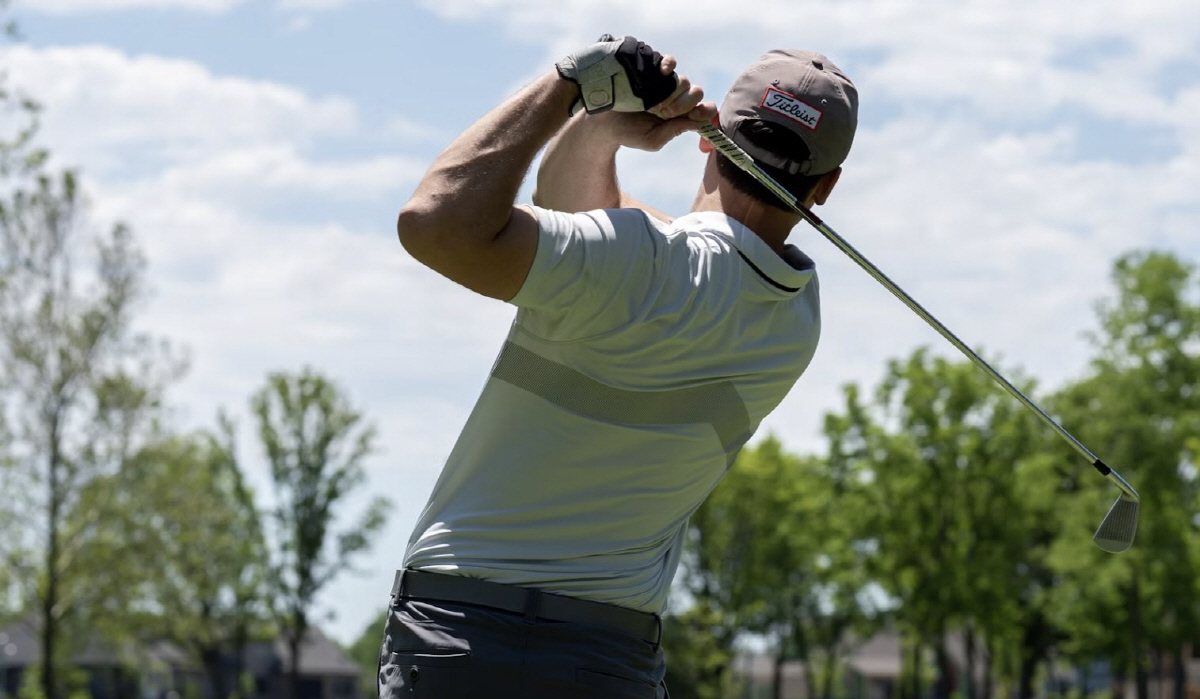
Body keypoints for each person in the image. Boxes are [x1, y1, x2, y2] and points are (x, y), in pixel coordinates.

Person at [384, 34, 858, 698]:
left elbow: (433, 223)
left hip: (458, 635)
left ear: (710, 134)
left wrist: (571, 85)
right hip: (608, 660)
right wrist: (598, 129)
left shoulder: (626, 260)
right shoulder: (794, 325)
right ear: (827, 186)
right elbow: (609, 232)